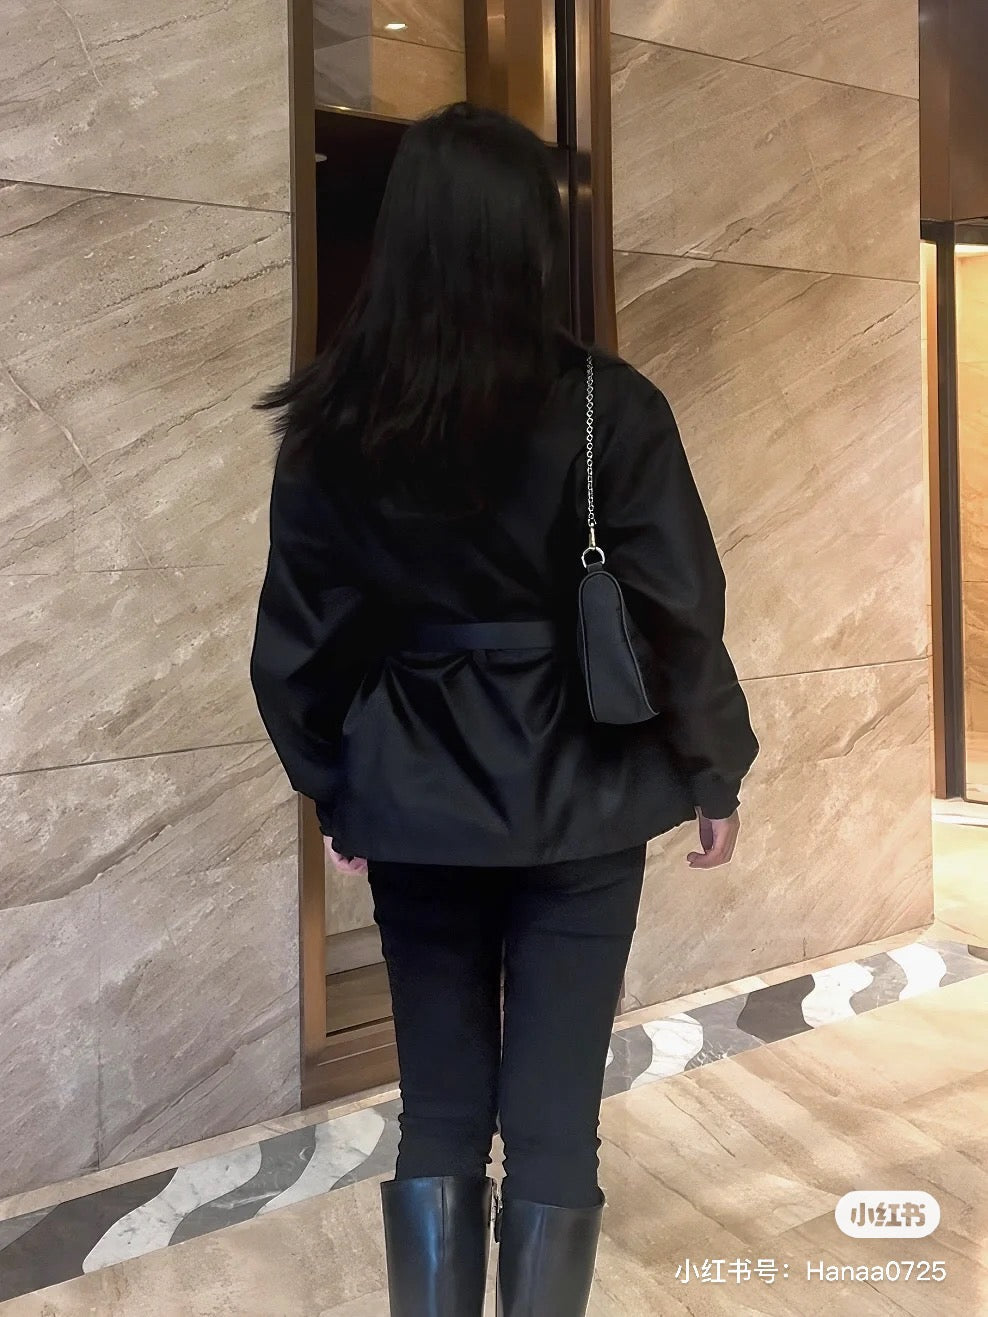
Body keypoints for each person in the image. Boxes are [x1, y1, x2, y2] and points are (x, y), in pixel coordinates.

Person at [250, 102, 757, 1317]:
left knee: (437, 1112)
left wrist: (334, 785)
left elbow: (297, 641)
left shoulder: (332, 422)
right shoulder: (609, 406)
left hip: (413, 799)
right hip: (585, 796)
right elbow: (678, 608)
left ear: (407, 233)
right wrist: (712, 767)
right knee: (553, 1124)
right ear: (533, 238)